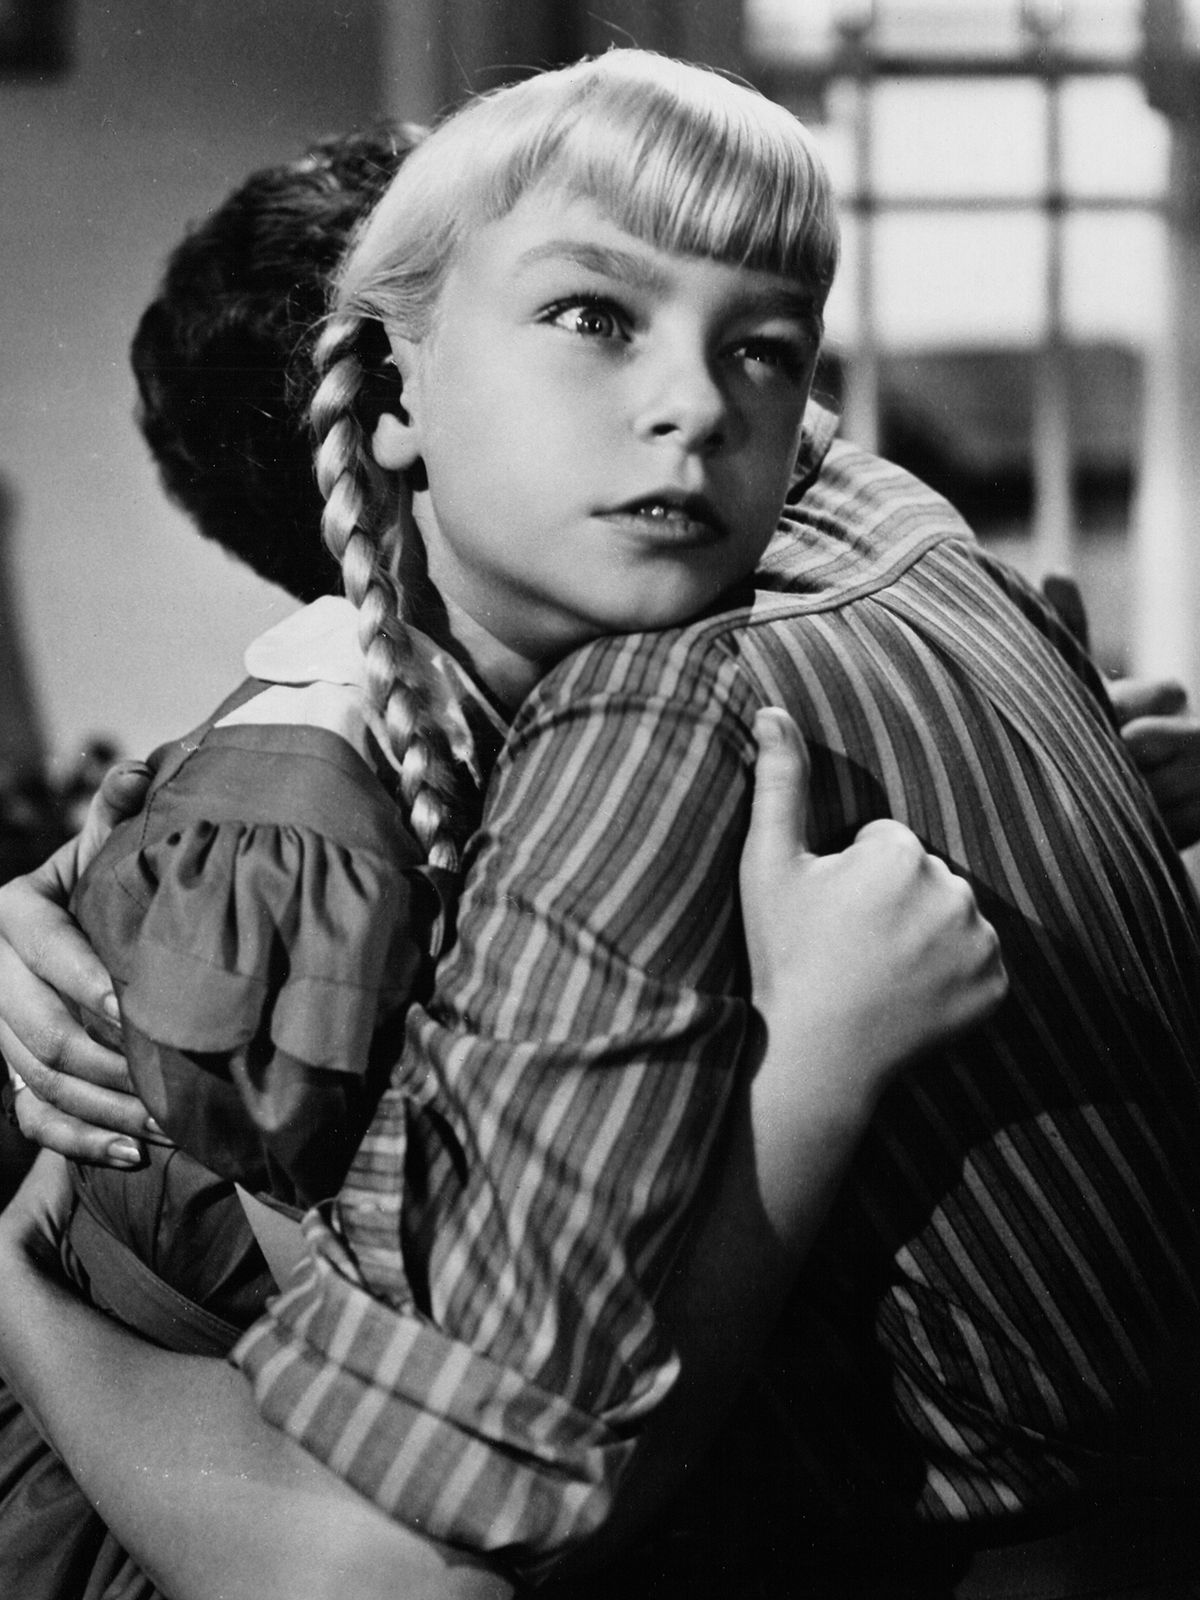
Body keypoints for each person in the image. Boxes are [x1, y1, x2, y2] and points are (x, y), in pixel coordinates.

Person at [3, 53, 1200, 1600]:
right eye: (588, 315)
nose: (699, 413)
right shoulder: (315, 836)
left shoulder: (660, 628)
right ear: (389, 405)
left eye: (760, 346)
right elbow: (436, 1458)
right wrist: (812, 1061)